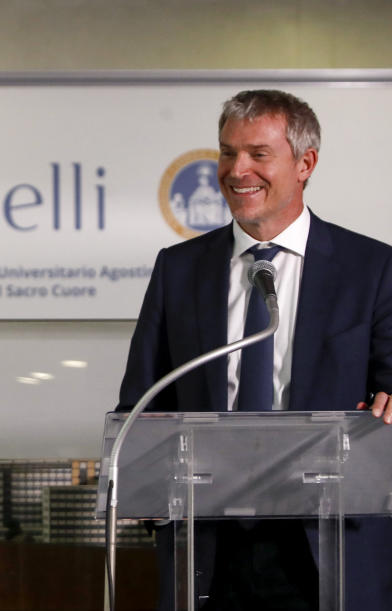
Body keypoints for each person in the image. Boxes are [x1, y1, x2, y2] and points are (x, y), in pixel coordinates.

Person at [117, 90, 392, 610]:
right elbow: (142, 402)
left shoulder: (372, 268)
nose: (236, 169)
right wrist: (138, 479)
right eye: (227, 152)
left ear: (305, 163)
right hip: (210, 550)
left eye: (257, 154)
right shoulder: (179, 269)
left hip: (330, 545)